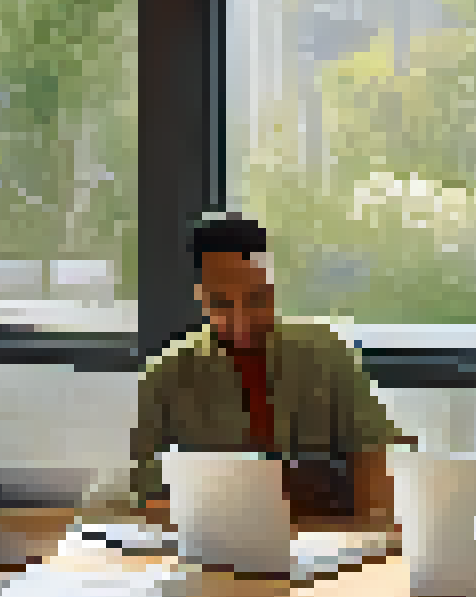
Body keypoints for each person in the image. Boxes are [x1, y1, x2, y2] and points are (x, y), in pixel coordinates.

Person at [130, 213, 410, 527]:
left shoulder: (327, 355)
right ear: (200, 297)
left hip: (323, 541)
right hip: (216, 548)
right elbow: (149, 494)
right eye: (222, 304)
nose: (241, 321)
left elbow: (376, 455)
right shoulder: (166, 374)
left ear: (274, 287)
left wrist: (373, 533)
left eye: (256, 299)